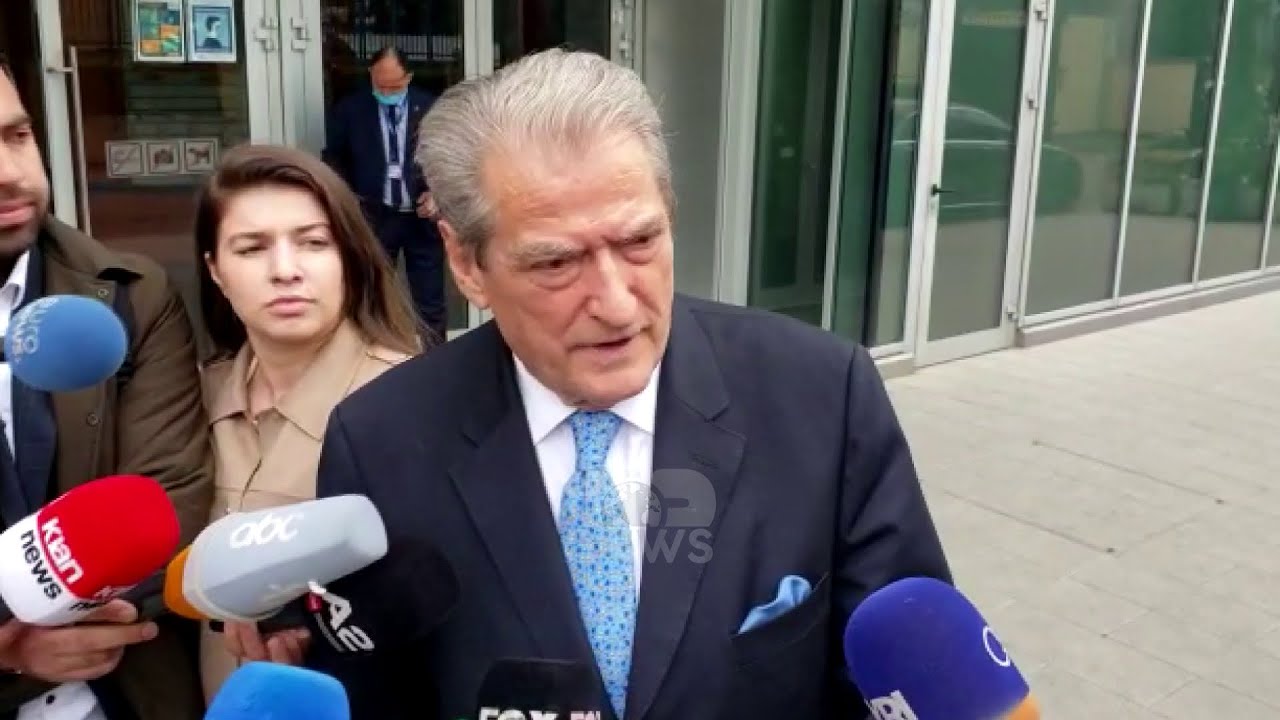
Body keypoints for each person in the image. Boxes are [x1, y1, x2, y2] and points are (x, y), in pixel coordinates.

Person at [298, 49, 952, 719]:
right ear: (465, 263)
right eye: (556, 262)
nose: (615, 304)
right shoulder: (380, 442)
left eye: (640, 242)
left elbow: (916, 675)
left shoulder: (822, 395)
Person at [0, 55, 212, 719]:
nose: (10, 172)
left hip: (127, 691)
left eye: (16, 135)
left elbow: (170, 494)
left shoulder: (130, 293)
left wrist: (55, 620)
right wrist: (8, 645)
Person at [190, 144, 425, 702]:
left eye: (314, 243)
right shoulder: (194, 396)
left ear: (348, 257)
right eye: (252, 248)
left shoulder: (411, 398)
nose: (285, 270)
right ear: (216, 270)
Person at [321, 46, 446, 342]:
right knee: (372, 294)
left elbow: (448, 156)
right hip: (375, 216)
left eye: (394, 86)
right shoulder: (352, 109)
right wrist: (348, 199)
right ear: (371, 75)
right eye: (380, 85)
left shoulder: (431, 108)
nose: (387, 92)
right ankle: (376, 352)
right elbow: (334, 157)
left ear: (409, 78)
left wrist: (437, 192)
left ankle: (436, 356)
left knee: (429, 298)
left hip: (419, 217)